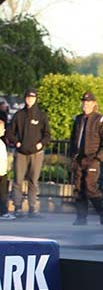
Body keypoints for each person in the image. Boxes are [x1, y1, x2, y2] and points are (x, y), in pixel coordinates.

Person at [69, 92, 103, 225]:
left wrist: (98, 159)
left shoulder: (100, 119)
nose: (85, 104)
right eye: (84, 102)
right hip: (79, 158)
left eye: (88, 102)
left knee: (90, 187)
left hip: (93, 158)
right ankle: (81, 217)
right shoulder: (78, 119)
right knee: (79, 188)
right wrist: (72, 155)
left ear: (94, 104)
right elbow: (73, 139)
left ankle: (102, 213)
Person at [9, 88, 51, 218]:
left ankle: (33, 209)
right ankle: (17, 207)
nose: (30, 99)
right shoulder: (19, 115)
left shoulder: (42, 116)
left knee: (33, 181)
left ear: (36, 99)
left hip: (36, 153)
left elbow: (47, 135)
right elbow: (9, 132)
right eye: (28, 97)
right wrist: (17, 142)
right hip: (21, 153)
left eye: (32, 97)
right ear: (25, 98)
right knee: (18, 181)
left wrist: (41, 144)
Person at [0, 117, 12, 220]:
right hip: (1, 172)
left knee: (3, 194)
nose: (4, 130)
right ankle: (3, 212)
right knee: (2, 194)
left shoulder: (1, 142)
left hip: (2, 171)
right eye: (2, 128)